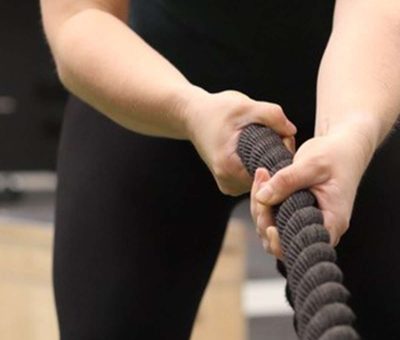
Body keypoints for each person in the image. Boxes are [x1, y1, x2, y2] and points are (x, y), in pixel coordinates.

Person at [40, 0, 400, 339]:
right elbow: (77, 16)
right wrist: (187, 110)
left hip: (356, 87)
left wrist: (353, 133)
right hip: (149, 85)